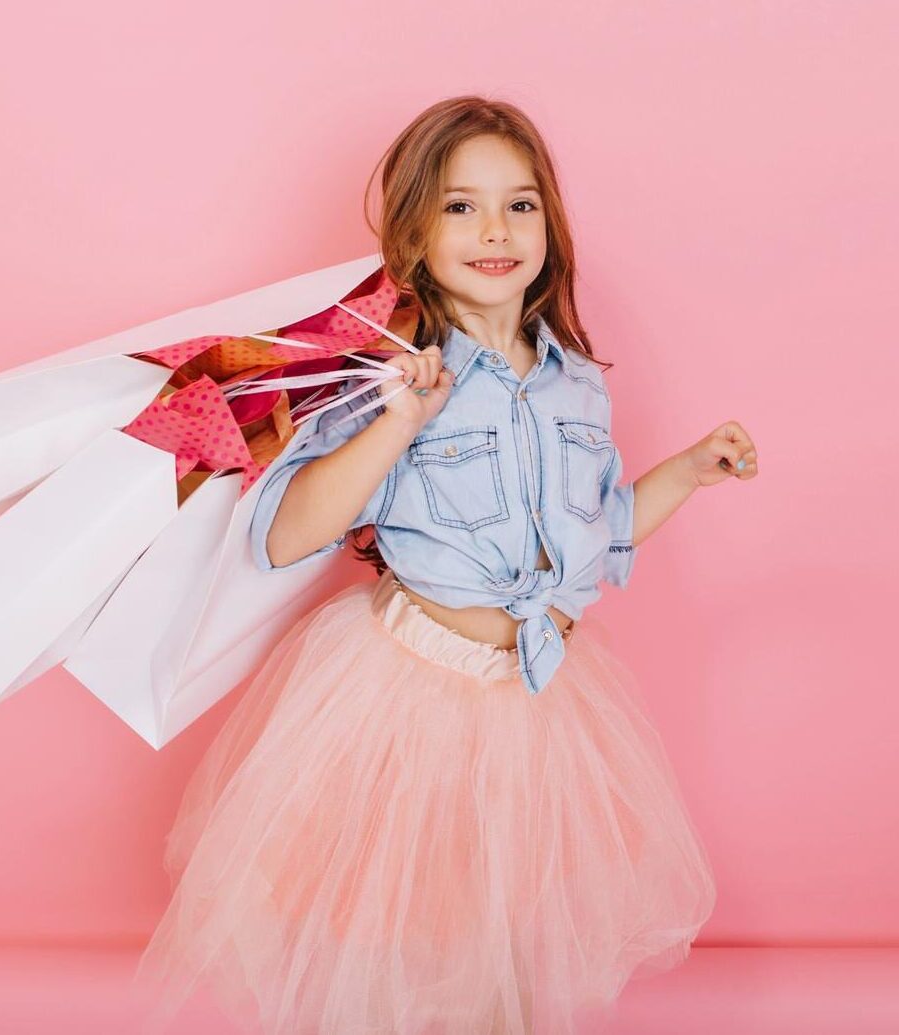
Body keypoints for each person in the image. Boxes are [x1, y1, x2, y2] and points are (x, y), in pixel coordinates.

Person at [133, 95, 757, 1035]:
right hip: (410, 691)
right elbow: (286, 533)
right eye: (461, 207)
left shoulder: (575, 381)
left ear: (551, 222)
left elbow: (600, 536)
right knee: (395, 938)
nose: (494, 230)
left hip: (538, 698)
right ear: (415, 231)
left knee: (502, 942)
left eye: (520, 204)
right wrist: (398, 424)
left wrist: (687, 473)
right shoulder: (387, 376)